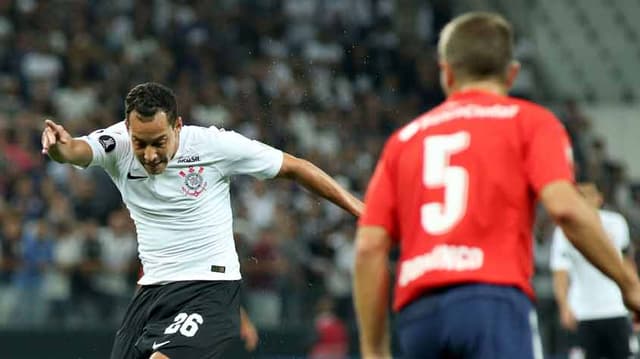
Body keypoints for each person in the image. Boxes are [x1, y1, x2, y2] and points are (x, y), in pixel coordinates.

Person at [353, 12, 640, 359]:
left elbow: (369, 247)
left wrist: (372, 349)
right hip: (493, 302)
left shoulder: (404, 140)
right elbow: (565, 208)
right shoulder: (531, 122)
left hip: (419, 315)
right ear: (512, 72)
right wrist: (628, 284)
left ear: (446, 72)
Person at [41, 82, 363, 359]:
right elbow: (75, 151)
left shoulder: (213, 145)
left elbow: (295, 167)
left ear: (177, 126)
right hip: (151, 294)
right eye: (141, 143)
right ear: (127, 129)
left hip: (210, 290)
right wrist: (58, 148)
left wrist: (364, 211)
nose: (150, 154)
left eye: (159, 142)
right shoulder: (117, 145)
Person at [551, 182, 638, 358]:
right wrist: (563, 305)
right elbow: (560, 272)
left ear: (599, 198)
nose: (583, 199)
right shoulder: (565, 230)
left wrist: (635, 295)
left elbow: (627, 263)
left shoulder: (616, 223)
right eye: (579, 195)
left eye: (588, 194)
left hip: (616, 309)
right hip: (583, 312)